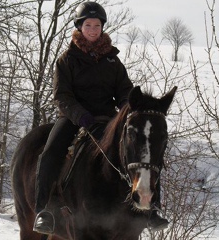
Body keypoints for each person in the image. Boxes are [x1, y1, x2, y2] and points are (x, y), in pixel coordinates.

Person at [33, 1, 168, 235]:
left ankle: (151, 208)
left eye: (97, 25)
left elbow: (126, 94)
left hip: (108, 120)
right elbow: (61, 96)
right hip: (74, 118)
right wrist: (80, 115)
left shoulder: (113, 62)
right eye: (88, 25)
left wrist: (133, 111)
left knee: (144, 150)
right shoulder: (66, 60)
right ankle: (43, 210)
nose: (93, 29)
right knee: (50, 152)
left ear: (102, 27)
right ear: (79, 27)